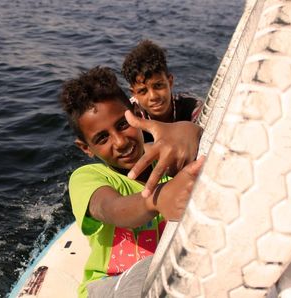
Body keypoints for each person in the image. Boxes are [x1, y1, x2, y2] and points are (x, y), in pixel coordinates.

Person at [59, 66, 204, 297]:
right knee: (148, 271)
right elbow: (111, 209)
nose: (120, 142)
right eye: (102, 138)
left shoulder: (167, 157)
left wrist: (191, 131)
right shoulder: (87, 178)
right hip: (111, 282)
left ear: (135, 112)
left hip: (171, 269)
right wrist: (155, 200)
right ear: (86, 148)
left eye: (122, 124)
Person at [122, 39, 203, 143]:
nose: (153, 96)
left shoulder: (193, 108)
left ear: (170, 82)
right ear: (134, 93)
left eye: (158, 86)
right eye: (143, 91)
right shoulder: (130, 117)